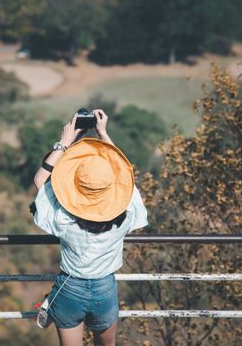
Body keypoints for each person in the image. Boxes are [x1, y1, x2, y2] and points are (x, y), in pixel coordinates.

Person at [32, 109, 148, 346]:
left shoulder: (64, 218)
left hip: (69, 286)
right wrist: (103, 133)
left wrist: (64, 142)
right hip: (105, 288)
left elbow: (40, 181)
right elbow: (128, 177)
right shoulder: (125, 215)